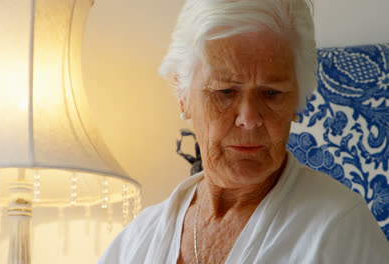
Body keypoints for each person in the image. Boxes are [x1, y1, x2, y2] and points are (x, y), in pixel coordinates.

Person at [99, 0, 389, 263]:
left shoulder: (337, 230)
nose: (249, 119)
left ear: (297, 101)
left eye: (272, 93)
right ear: (183, 97)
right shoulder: (138, 241)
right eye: (225, 91)